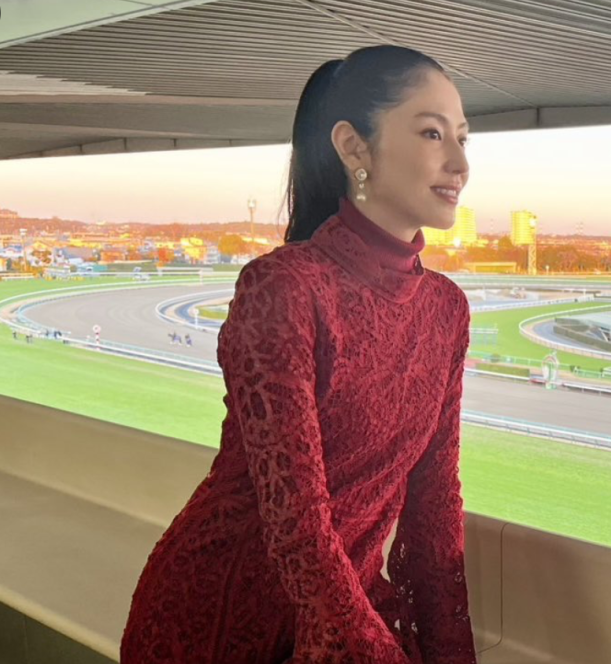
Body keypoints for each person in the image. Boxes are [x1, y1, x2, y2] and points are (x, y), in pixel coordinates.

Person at [122, 46, 476, 664]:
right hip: (217, 620)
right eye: (431, 133)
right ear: (354, 148)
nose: (460, 163)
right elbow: (296, 519)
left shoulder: (446, 309)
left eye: (463, 138)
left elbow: (435, 506)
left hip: (346, 609)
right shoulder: (284, 287)